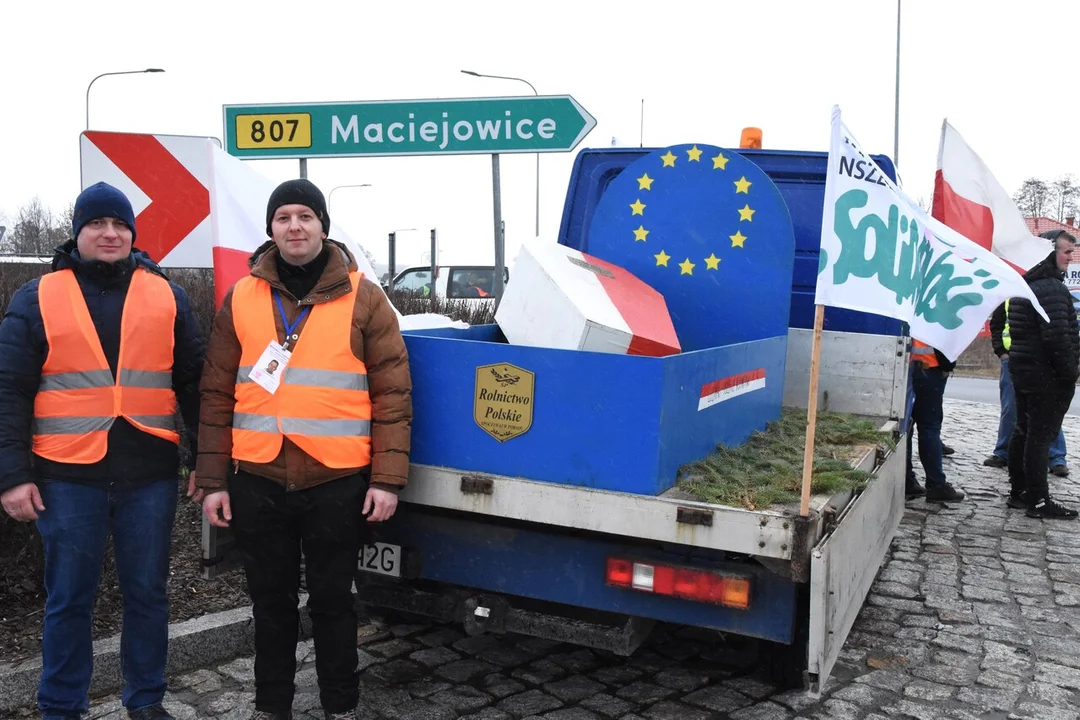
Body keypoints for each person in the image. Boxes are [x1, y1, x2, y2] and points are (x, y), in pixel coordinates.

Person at [196, 179, 412, 720]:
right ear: (270, 229)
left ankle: (341, 707)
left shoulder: (364, 295)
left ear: (322, 226)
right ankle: (272, 708)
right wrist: (214, 481)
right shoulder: (241, 296)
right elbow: (218, 391)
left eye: (305, 216)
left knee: (335, 603)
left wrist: (386, 481)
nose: (294, 226)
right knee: (269, 607)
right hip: (258, 478)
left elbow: (392, 392)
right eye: (284, 217)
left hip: (335, 481)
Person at [0, 182, 205, 720]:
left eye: (119, 224)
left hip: (149, 474)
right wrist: (12, 474)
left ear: (132, 233)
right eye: (97, 224)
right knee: (69, 600)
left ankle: (146, 702)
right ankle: (61, 707)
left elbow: (195, 384)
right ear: (78, 231)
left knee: (148, 596)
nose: (109, 233)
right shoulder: (37, 295)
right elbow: (9, 390)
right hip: (65, 476)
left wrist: (208, 462)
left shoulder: (167, 294)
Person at [1004, 229, 1079, 519]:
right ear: (1049, 253)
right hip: (1046, 377)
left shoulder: (1026, 285)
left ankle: (1019, 493)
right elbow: (1058, 338)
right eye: (1066, 252)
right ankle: (1037, 501)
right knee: (1039, 437)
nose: (1070, 259)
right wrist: (1071, 372)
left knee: (1023, 431)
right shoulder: (1051, 289)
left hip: (1024, 373)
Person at [984, 298, 1069, 476]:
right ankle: (1003, 452)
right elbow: (997, 324)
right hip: (1013, 359)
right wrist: (1001, 352)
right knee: (1010, 408)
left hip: (1042, 361)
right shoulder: (1008, 297)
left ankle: (1056, 457)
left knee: (1048, 409)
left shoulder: (1047, 293)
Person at [905, 339, 966, 502]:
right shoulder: (936, 312)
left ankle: (906, 479)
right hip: (929, 368)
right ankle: (936, 484)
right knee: (929, 427)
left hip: (905, 364)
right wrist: (947, 365)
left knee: (906, 426)